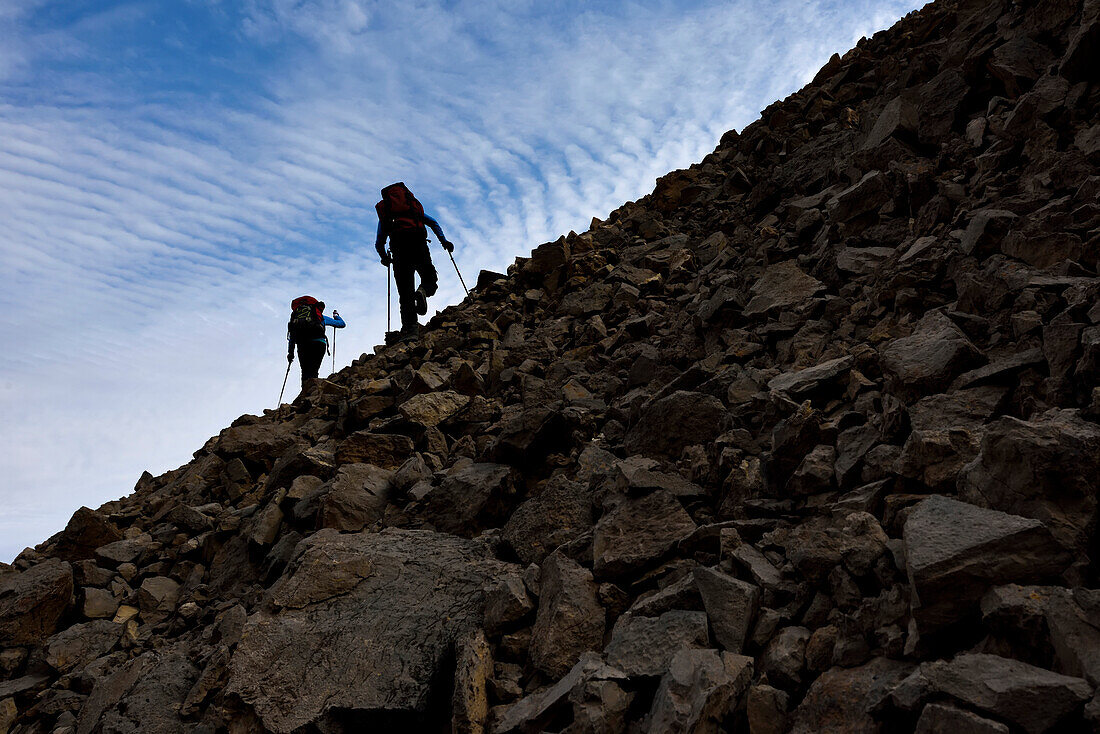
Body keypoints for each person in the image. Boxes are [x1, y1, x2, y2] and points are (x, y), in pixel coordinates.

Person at [374, 182, 455, 338]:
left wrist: (384, 258)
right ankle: (423, 290)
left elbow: (379, 242)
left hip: (399, 251)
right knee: (430, 279)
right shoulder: (413, 209)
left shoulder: (387, 214)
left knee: (405, 292)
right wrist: (444, 241)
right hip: (419, 246)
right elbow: (433, 222)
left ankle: (411, 330)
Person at [287, 295, 345, 389]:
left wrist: (290, 354)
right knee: (314, 369)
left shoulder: (295, 319)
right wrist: (336, 316)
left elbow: (292, 338)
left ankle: (305, 393)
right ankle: (313, 392)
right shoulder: (320, 317)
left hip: (302, 345)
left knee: (305, 371)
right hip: (318, 344)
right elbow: (341, 324)